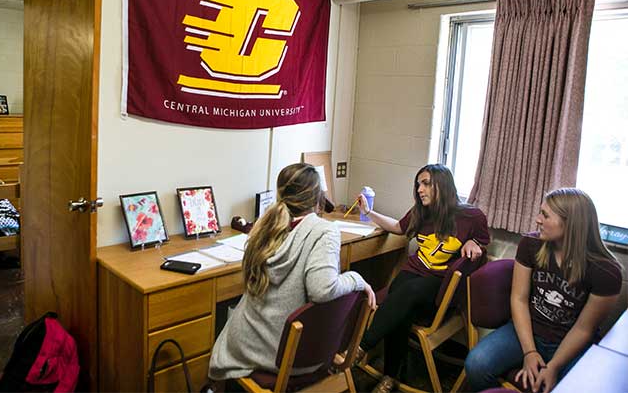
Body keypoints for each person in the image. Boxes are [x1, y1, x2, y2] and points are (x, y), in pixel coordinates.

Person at [208, 163, 376, 385]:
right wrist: (357, 279)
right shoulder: (324, 231)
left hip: (250, 345)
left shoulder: (264, 226)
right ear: (318, 198)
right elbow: (323, 289)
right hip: (291, 355)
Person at [465, 188, 622, 393]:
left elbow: (584, 329)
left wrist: (554, 366)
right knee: (476, 364)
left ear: (571, 223)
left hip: (570, 342)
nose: (538, 220)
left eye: (545, 215)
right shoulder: (531, 244)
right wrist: (529, 351)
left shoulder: (606, 272)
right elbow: (519, 299)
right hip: (529, 330)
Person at [356, 164, 489, 393]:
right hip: (412, 276)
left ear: (443, 185)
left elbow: (482, 243)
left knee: (406, 294)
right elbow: (398, 227)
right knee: (402, 301)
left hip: (437, 285)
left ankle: (361, 347)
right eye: (418, 184)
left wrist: (474, 243)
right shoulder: (421, 212)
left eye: (426, 183)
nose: (419, 189)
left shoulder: (471, 216)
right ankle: (390, 377)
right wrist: (368, 213)